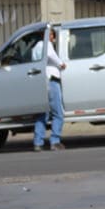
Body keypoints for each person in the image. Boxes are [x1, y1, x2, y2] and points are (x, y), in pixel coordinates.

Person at [33, 23, 68, 151]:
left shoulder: (35, 47)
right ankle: (55, 141)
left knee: (43, 114)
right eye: (52, 35)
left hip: (41, 81)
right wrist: (61, 64)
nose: (53, 38)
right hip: (51, 81)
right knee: (58, 113)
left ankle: (38, 142)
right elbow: (51, 55)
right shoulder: (46, 45)